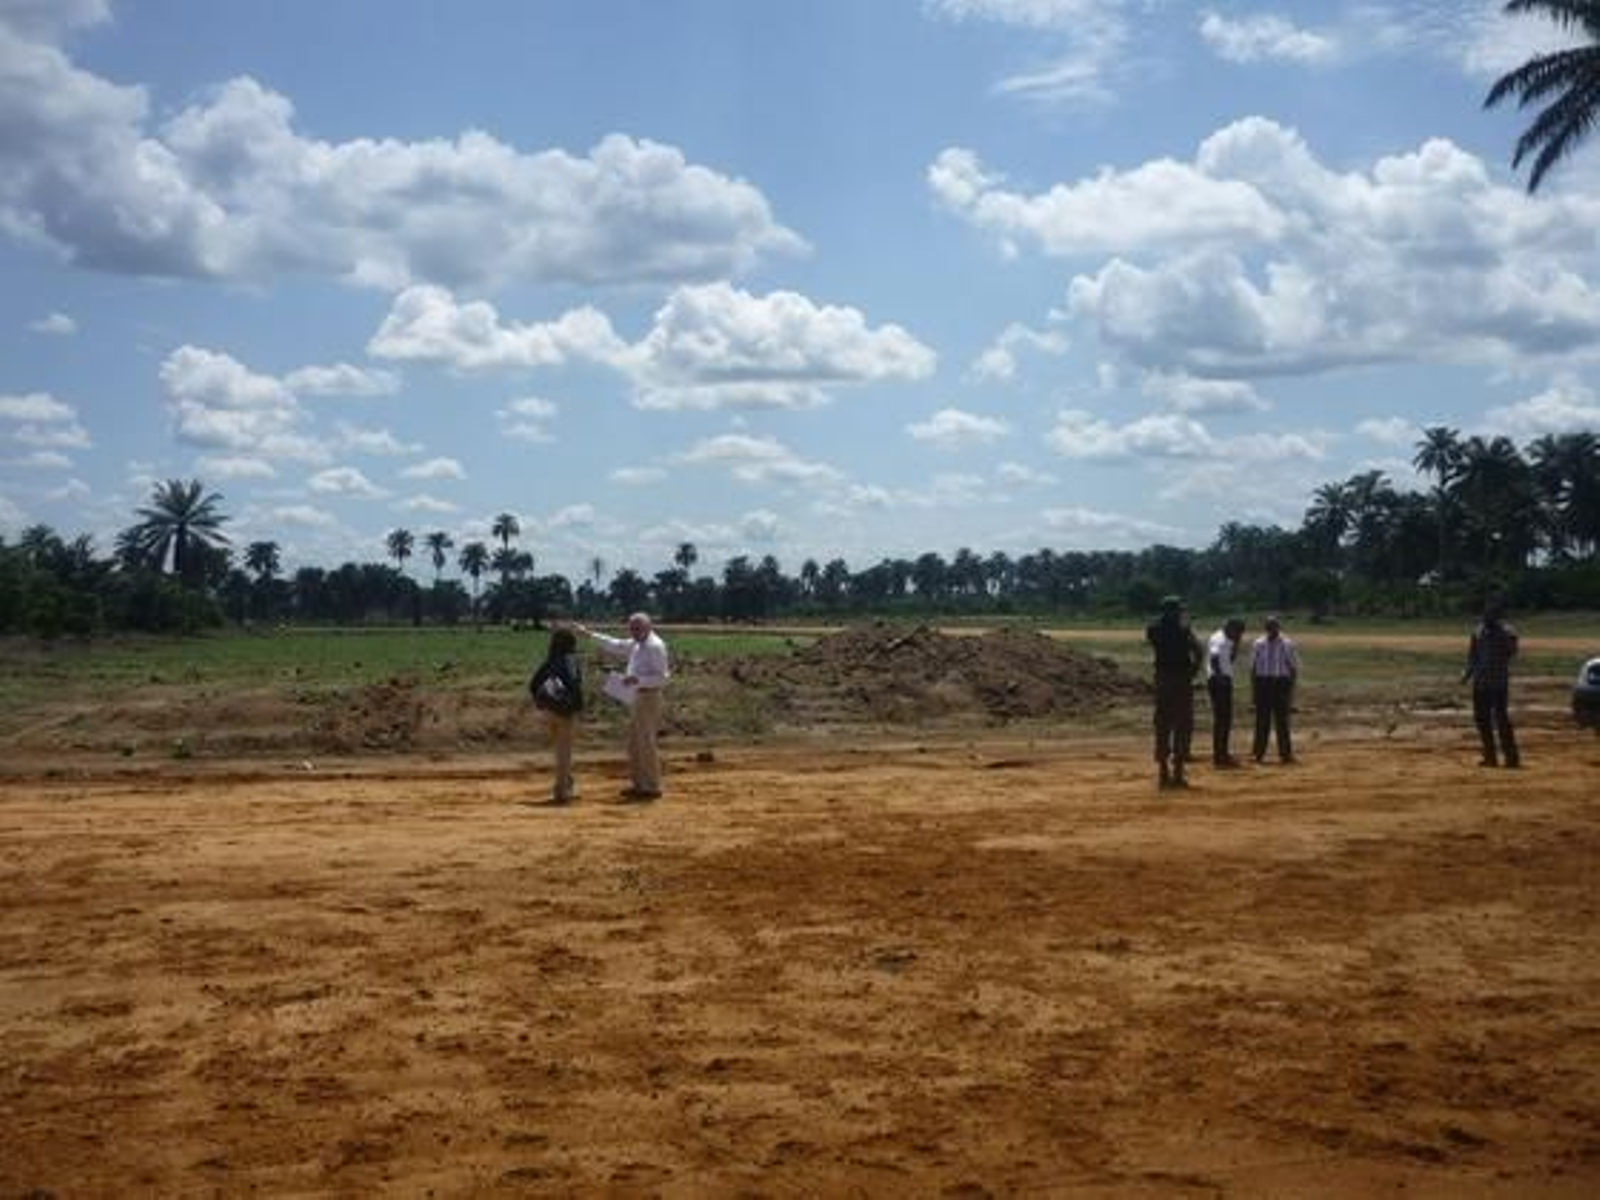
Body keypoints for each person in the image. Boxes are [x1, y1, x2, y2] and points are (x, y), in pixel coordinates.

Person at [577, 612, 671, 800]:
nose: (633, 632)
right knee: (635, 744)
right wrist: (589, 634)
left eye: (637, 629)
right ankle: (639, 785)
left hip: (649, 697)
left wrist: (638, 679)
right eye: (631, 629)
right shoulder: (638, 643)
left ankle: (651, 786)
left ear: (648, 627)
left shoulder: (655, 646)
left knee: (645, 742)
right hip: (637, 695)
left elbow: (662, 678)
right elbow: (616, 645)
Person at [1146, 595, 1204, 791]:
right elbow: (1198, 651)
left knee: (1162, 724)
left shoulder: (1153, 629)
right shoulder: (1184, 629)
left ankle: (1163, 772)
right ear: (1174, 611)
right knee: (1183, 724)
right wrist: (1193, 672)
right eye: (1179, 610)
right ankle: (1178, 773)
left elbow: (1155, 641)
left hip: (1162, 679)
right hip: (1181, 680)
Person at [529, 628, 584, 803]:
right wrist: (574, 703)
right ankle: (561, 792)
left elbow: (533, 684)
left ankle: (567, 785)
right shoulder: (569, 660)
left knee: (559, 753)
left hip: (549, 711)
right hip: (565, 713)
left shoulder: (550, 660)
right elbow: (573, 682)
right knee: (565, 754)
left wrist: (542, 701)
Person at [1463, 599, 1520, 768]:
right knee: (1481, 719)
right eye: (1485, 613)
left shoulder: (1507, 631)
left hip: (1498, 683)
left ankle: (1511, 758)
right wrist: (1467, 675)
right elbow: (1472, 656)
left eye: (1491, 614)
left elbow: (1513, 651)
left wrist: (1500, 633)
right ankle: (1490, 756)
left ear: (1497, 615)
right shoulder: (1477, 631)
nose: (1487, 617)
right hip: (1480, 683)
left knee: (1501, 719)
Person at [1250, 614, 1299, 763]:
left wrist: (1291, 690)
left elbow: (1293, 668)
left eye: (1274, 626)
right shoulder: (1258, 643)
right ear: (1265, 628)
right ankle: (1258, 754)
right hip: (1263, 683)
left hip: (1280, 684)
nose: (1272, 630)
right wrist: (1254, 691)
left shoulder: (1287, 644)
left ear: (1279, 627)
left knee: (1282, 722)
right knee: (1261, 721)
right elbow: (1252, 668)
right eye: (1269, 627)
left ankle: (1285, 754)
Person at [1206, 617, 1247, 767]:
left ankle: (1222, 752)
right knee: (1222, 720)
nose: (1239, 636)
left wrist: (1236, 643)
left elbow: (1229, 660)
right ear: (1231, 629)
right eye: (1238, 633)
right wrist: (1220, 675)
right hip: (1219, 682)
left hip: (1221, 680)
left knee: (1224, 719)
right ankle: (1220, 756)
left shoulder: (1224, 638)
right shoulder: (1220, 640)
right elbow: (1214, 658)